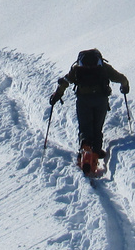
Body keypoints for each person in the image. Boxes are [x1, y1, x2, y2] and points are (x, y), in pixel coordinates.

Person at [49, 48, 129, 176]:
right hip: (101, 100)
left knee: (85, 127)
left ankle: (85, 151)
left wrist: (57, 94)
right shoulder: (103, 67)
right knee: (97, 127)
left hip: (83, 100)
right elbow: (121, 78)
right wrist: (125, 86)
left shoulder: (77, 68)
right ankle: (95, 155)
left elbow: (66, 81)